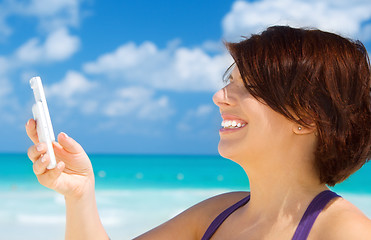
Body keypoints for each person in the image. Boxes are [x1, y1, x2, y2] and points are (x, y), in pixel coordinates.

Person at [26, 26, 371, 239]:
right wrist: (80, 195)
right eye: (227, 83)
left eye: (247, 86)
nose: (219, 97)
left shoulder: (344, 232)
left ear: (307, 116)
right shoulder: (217, 215)